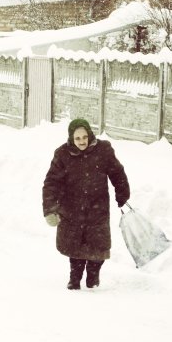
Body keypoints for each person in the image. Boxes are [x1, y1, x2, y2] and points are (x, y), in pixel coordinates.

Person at [42, 118, 130, 290]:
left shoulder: (103, 150)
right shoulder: (62, 155)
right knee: (75, 247)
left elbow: (117, 173)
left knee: (98, 248)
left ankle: (93, 274)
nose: (82, 141)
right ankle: (74, 278)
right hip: (71, 208)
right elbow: (51, 182)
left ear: (89, 134)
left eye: (84, 137)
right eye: (77, 138)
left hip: (97, 208)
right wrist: (50, 209)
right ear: (71, 139)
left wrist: (122, 193)